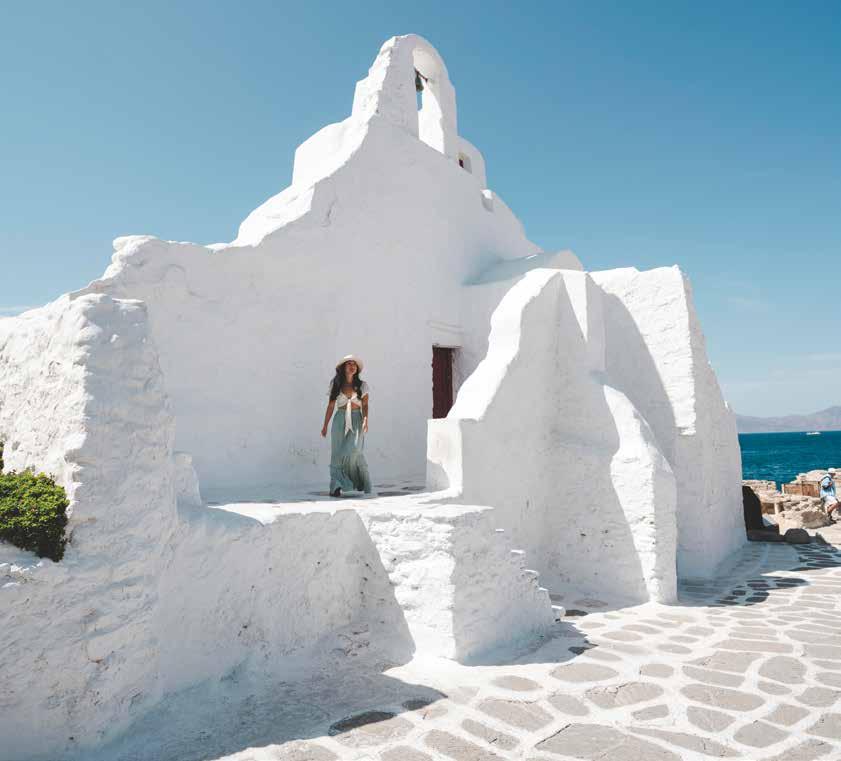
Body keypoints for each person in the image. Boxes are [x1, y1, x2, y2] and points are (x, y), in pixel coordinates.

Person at [321, 355, 372, 497]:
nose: (352, 366)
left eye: (354, 364)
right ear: (343, 368)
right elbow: (331, 406)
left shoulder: (362, 385)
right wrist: (325, 425)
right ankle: (336, 485)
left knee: (354, 450)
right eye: (349, 363)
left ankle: (360, 481)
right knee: (337, 453)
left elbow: (365, 405)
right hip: (339, 419)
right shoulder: (335, 384)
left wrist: (365, 419)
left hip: (356, 419)